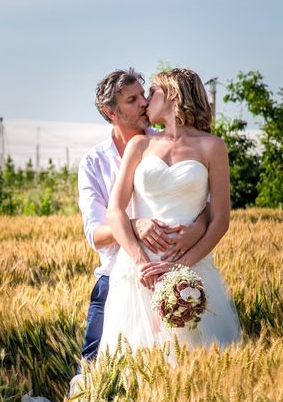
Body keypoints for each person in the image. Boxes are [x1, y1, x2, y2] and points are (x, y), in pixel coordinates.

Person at [99, 68, 242, 367]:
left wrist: (179, 270)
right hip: (141, 271)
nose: (146, 100)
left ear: (172, 95)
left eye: (152, 92)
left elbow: (220, 220)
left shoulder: (212, 147)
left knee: (196, 363)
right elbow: (115, 211)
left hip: (189, 269)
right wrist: (140, 261)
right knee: (135, 362)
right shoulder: (140, 145)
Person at [77, 68, 209, 369]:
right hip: (117, 276)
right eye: (132, 99)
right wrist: (134, 226)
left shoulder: (171, 143)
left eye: (144, 95)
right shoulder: (94, 162)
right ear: (110, 112)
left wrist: (196, 230)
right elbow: (95, 234)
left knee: (179, 363)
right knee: (95, 369)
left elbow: (206, 206)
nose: (144, 102)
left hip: (176, 270)